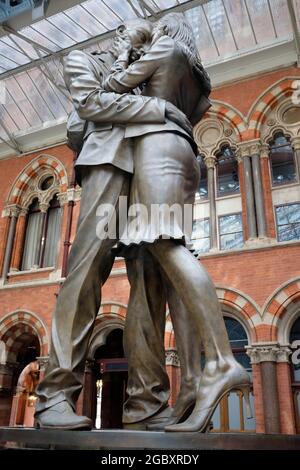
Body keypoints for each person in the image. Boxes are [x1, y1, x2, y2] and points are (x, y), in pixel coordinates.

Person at [33, 28, 201, 430]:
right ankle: (55, 396)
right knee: (87, 271)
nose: (134, 33)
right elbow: (89, 112)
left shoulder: (151, 63)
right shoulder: (83, 61)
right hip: (109, 164)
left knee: (151, 283)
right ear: (111, 37)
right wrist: (158, 110)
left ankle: (147, 404)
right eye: (124, 31)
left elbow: (183, 103)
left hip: (151, 170)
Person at [104, 12, 251, 433]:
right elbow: (196, 112)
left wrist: (125, 48)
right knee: (171, 261)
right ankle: (190, 381)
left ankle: (220, 363)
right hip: (185, 153)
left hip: (158, 152)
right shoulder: (194, 70)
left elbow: (115, 86)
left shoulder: (163, 50)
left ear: (165, 29)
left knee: (167, 246)